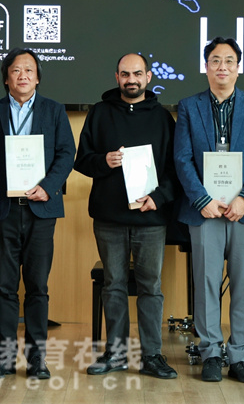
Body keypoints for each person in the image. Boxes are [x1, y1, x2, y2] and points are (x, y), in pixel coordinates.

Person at [74, 53, 180, 379]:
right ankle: (116, 354)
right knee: (114, 286)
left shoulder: (163, 118)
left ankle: (152, 356)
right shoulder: (99, 113)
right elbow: (82, 160)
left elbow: (176, 170)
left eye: (137, 73)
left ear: (148, 77)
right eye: (124, 74)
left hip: (151, 219)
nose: (130, 79)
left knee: (151, 288)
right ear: (117, 77)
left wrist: (158, 198)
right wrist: (103, 161)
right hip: (109, 218)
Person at [173, 37, 244, 383]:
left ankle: (240, 354)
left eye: (229, 61)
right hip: (204, 210)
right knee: (206, 282)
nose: (222, 67)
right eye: (215, 60)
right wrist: (202, 199)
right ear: (206, 67)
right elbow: (182, 158)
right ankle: (211, 352)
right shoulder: (189, 106)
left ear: (238, 67)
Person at [0, 48, 75, 380]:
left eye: (29, 70)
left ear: (38, 77)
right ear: (6, 78)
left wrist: (48, 186)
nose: (23, 76)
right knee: (5, 286)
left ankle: (37, 360)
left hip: (41, 211)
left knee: (37, 286)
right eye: (16, 70)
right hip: (3, 212)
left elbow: (66, 153)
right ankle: (4, 359)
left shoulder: (54, 110)